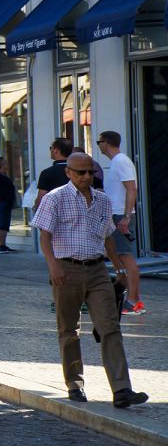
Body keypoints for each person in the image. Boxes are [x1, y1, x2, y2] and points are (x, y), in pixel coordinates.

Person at [31, 152, 148, 409]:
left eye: (90, 172)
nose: (86, 177)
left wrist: (118, 268)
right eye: (80, 172)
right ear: (68, 172)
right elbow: (44, 237)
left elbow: (107, 237)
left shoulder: (103, 200)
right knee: (69, 330)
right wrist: (53, 266)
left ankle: (122, 389)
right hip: (66, 269)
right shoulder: (55, 198)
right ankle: (75, 384)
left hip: (97, 271)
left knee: (110, 327)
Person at [97, 131, 143, 316]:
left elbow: (132, 189)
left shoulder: (121, 161)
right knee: (119, 254)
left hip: (120, 216)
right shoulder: (116, 162)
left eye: (99, 142)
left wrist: (126, 217)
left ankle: (133, 302)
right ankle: (133, 298)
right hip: (115, 214)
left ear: (106, 143)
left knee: (125, 256)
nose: (99, 145)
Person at [34, 138, 72, 211]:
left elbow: (41, 199)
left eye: (51, 148)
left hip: (55, 213)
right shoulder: (79, 171)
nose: (50, 150)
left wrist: (36, 205)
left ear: (56, 150)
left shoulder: (47, 173)